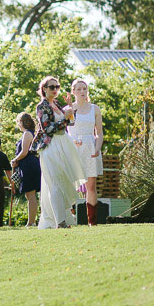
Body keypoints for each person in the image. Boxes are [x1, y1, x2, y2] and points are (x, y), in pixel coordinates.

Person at [32, 76, 86, 229]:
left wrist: (70, 109)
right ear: (44, 89)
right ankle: (60, 221)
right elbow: (47, 128)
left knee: (64, 181)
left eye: (57, 86)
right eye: (52, 87)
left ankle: (66, 218)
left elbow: (71, 122)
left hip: (63, 144)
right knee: (55, 183)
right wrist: (65, 120)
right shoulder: (41, 106)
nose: (55, 90)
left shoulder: (56, 104)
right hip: (50, 146)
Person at [67, 79, 104, 226]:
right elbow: (67, 129)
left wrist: (97, 147)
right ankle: (69, 217)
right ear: (73, 92)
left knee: (91, 185)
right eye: (79, 89)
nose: (82, 92)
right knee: (69, 183)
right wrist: (73, 141)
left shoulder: (95, 109)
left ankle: (92, 221)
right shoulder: (69, 109)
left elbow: (99, 133)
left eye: (85, 89)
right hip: (74, 147)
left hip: (90, 147)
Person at [10, 112, 41, 227]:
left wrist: (15, 160)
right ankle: (31, 221)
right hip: (27, 165)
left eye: (18, 122)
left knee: (31, 194)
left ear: (22, 122)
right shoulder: (28, 133)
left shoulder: (28, 134)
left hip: (29, 165)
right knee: (30, 195)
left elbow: (24, 151)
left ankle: (31, 222)